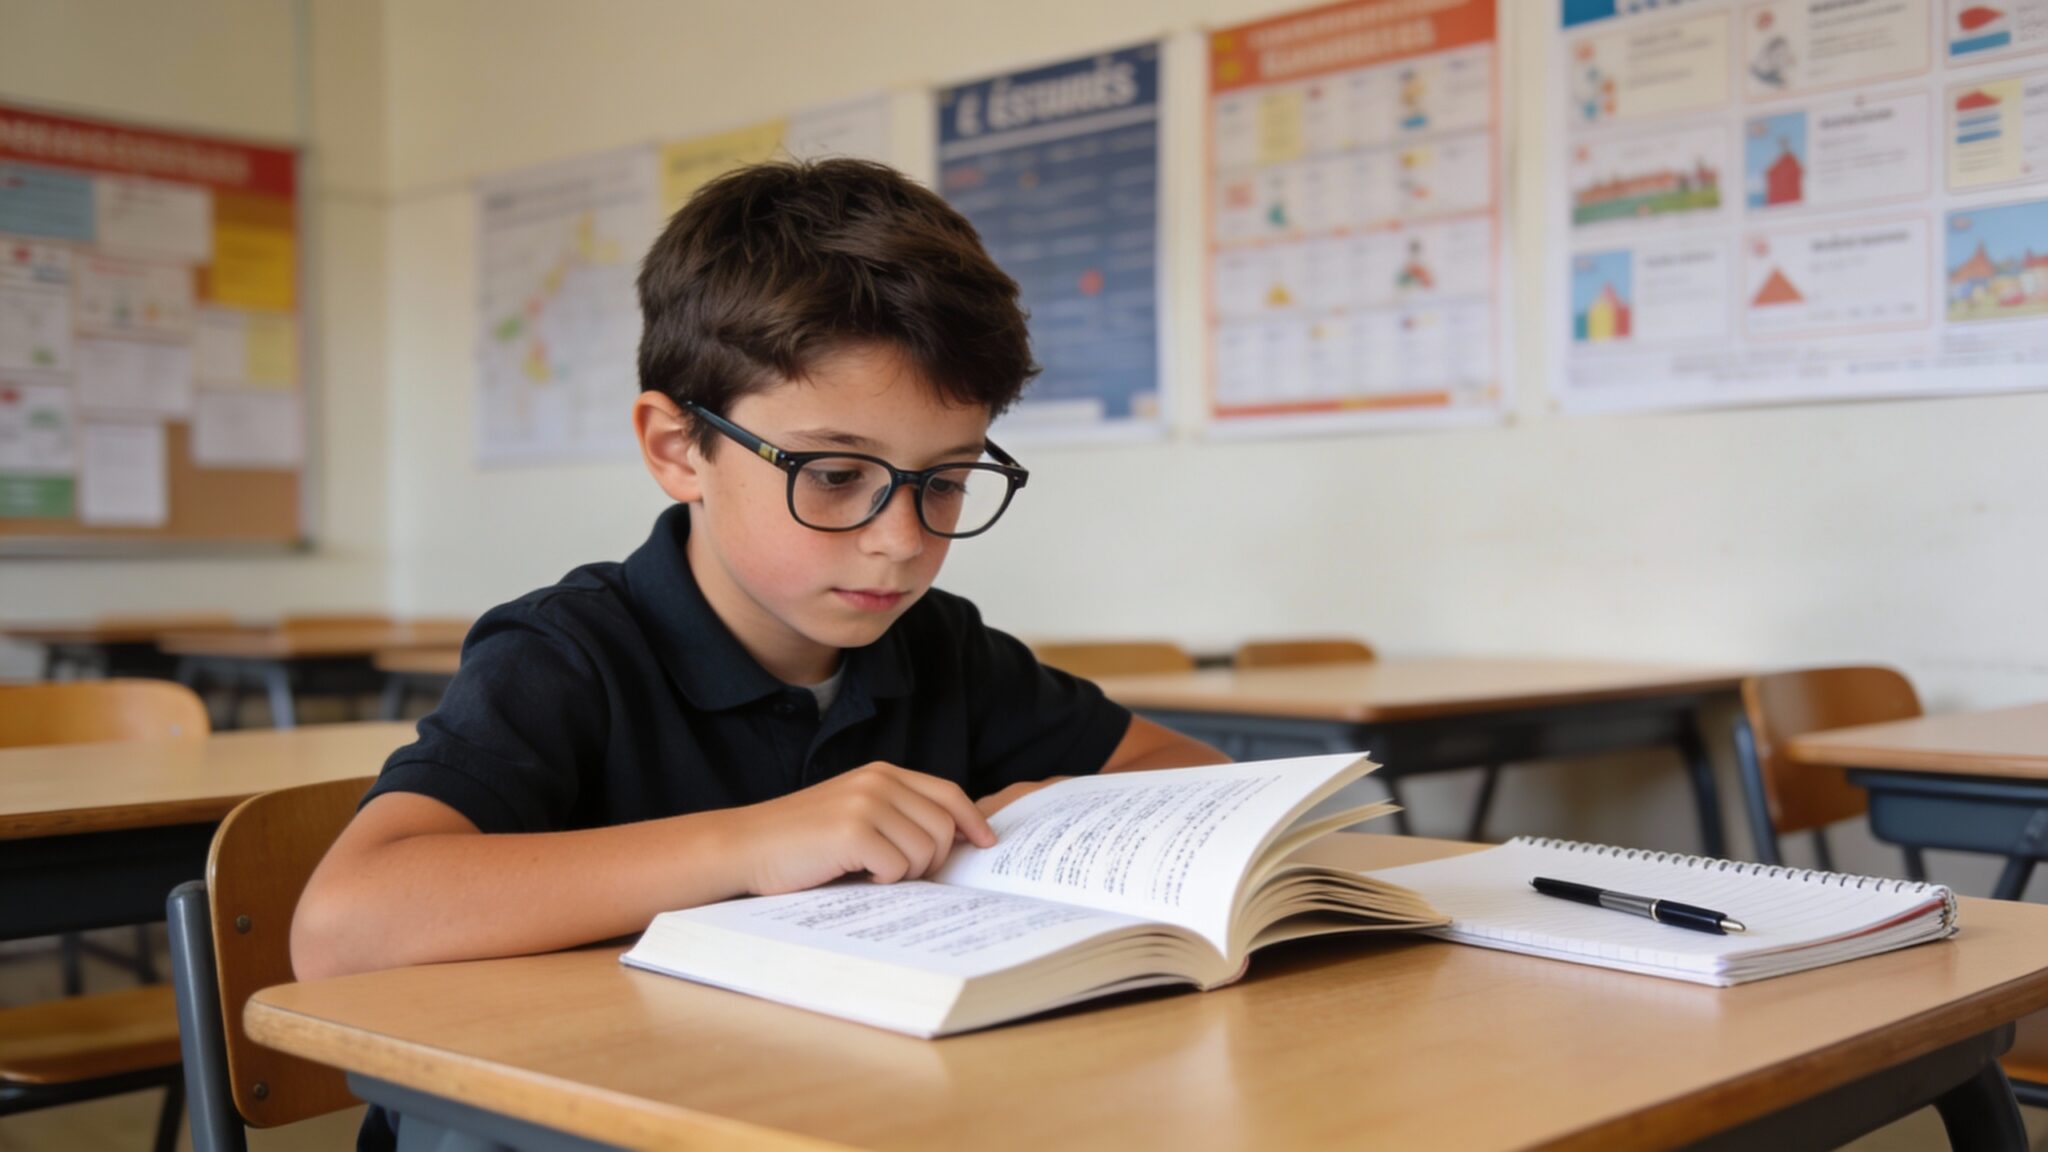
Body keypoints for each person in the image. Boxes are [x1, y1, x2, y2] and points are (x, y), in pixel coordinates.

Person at [293, 156, 1225, 990]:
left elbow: (1194, 775)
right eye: (833, 475)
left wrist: (1063, 813)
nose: (901, 540)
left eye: (945, 481)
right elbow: (343, 927)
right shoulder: (569, 653)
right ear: (677, 448)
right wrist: (754, 841)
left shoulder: (939, 648)